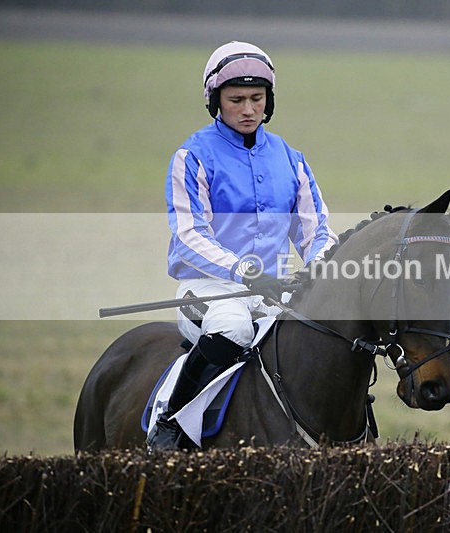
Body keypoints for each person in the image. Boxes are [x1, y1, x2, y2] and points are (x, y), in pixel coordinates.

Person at [147, 41, 338, 451]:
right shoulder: (192, 156)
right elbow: (189, 237)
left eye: (257, 98)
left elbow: (317, 232)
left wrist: (318, 269)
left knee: (321, 335)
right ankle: (170, 423)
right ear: (216, 101)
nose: (248, 109)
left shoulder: (291, 159)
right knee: (234, 328)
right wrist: (245, 272)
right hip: (207, 288)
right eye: (236, 100)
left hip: (274, 289)